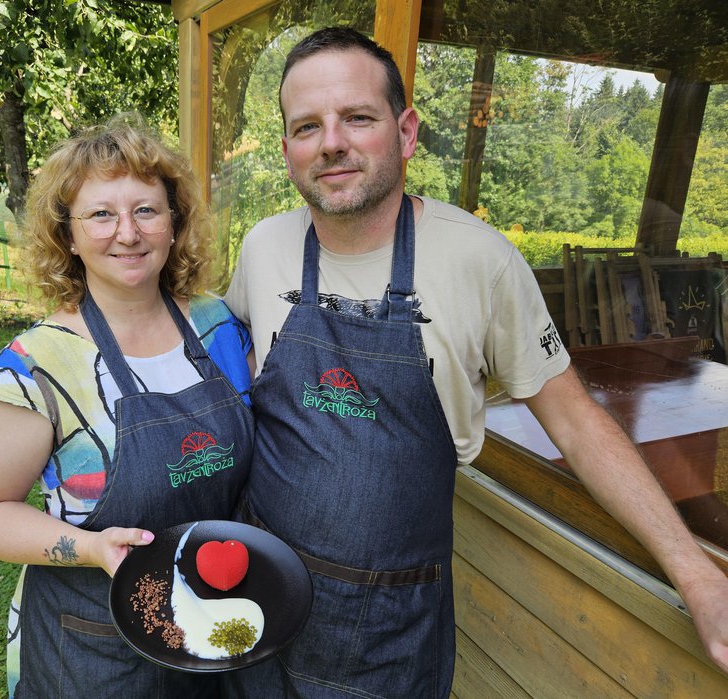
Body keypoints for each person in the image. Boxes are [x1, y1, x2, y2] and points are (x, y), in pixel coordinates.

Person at [221, 26, 728, 698]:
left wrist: (695, 570)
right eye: (307, 126)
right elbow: (235, 348)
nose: (332, 142)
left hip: (387, 636)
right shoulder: (264, 246)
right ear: (287, 148)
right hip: (257, 602)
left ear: (405, 133)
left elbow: (576, 422)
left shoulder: (481, 261)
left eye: (357, 118)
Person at [0, 114, 254, 698]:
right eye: (100, 214)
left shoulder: (221, 329)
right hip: (92, 646)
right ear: (67, 235)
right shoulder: (32, 370)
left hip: (213, 628)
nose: (128, 233)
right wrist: (90, 548)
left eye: (146, 210)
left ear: (174, 223)